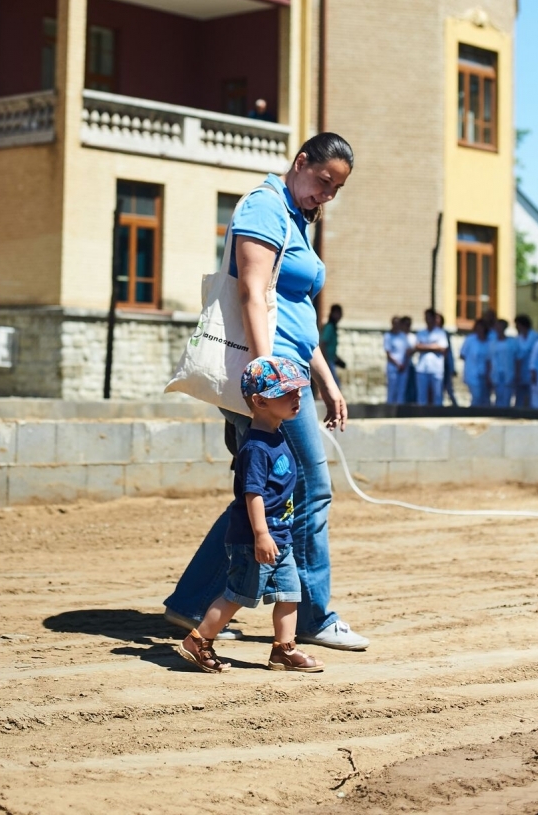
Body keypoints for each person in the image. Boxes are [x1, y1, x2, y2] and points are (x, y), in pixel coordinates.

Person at [163, 132, 369, 652]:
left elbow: (294, 311)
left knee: (267, 491)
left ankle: (191, 603)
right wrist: (267, 374)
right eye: (323, 181)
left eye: (336, 190)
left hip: (290, 370)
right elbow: (251, 291)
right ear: (301, 162)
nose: (326, 195)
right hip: (271, 383)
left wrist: (324, 376)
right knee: (309, 490)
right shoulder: (265, 205)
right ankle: (313, 617)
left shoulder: (297, 216)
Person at [178, 357, 325, 675]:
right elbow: (252, 495)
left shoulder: (276, 434)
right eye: (286, 393)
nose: (296, 397)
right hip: (255, 539)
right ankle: (198, 641)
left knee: (289, 593)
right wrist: (260, 534)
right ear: (259, 401)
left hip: (279, 537)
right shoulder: (256, 447)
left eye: (298, 391)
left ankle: (284, 650)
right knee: (238, 595)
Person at [413, 309, 448, 405]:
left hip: (436, 368)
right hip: (422, 368)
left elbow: (442, 348)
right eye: (426, 317)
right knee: (422, 395)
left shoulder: (440, 333)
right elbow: (417, 347)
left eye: (429, 317)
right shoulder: (421, 333)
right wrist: (433, 346)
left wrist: (425, 346)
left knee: (437, 395)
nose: (427, 320)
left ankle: (438, 415)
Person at [459, 319, 490, 406]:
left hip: (485, 374)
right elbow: (462, 355)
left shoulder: (489, 341)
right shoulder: (470, 339)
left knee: (485, 398)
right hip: (472, 373)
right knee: (476, 396)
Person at [488, 319, 517, 407]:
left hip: (508, 371)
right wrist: (488, 374)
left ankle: (506, 413)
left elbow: (516, 358)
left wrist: (517, 373)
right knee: (498, 394)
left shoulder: (511, 342)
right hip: (496, 372)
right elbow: (489, 359)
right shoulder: (492, 343)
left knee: (507, 395)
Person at [513, 314, 538, 408]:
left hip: (533, 370)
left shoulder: (535, 337)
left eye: (517, 324)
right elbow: (517, 357)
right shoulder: (518, 339)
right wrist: (517, 373)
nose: (516, 327)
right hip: (521, 370)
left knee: (533, 394)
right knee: (520, 395)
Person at [384, 316, 411, 404]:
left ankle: (400, 410)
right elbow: (388, 353)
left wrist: (405, 364)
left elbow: (407, 351)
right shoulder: (388, 336)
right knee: (392, 389)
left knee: (401, 390)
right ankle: (390, 410)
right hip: (393, 366)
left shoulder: (403, 336)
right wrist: (397, 364)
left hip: (403, 367)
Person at [436, 312, 459, 406]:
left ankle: (455, 405)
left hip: (445, 365)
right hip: (435, 365)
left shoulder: (445, 334)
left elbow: (449, 351)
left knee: (448, 387)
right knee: (437, 389)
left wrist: (452, 367)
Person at [320, 304, 345, 389]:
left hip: (331, 360)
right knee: (334, 385)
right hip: (328, 361)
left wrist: (337, 359)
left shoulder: (333, 327)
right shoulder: (329, 327)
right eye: (338, 313)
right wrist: (325, 360)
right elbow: (323, 343)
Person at [400, 315, 417, 402]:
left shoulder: (413, 337)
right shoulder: (399, 336)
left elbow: (414, 349)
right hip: (399, 366)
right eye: (406, 324)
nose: (407, 327)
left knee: (411, 388)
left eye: (409, 325)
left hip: (410, 365)